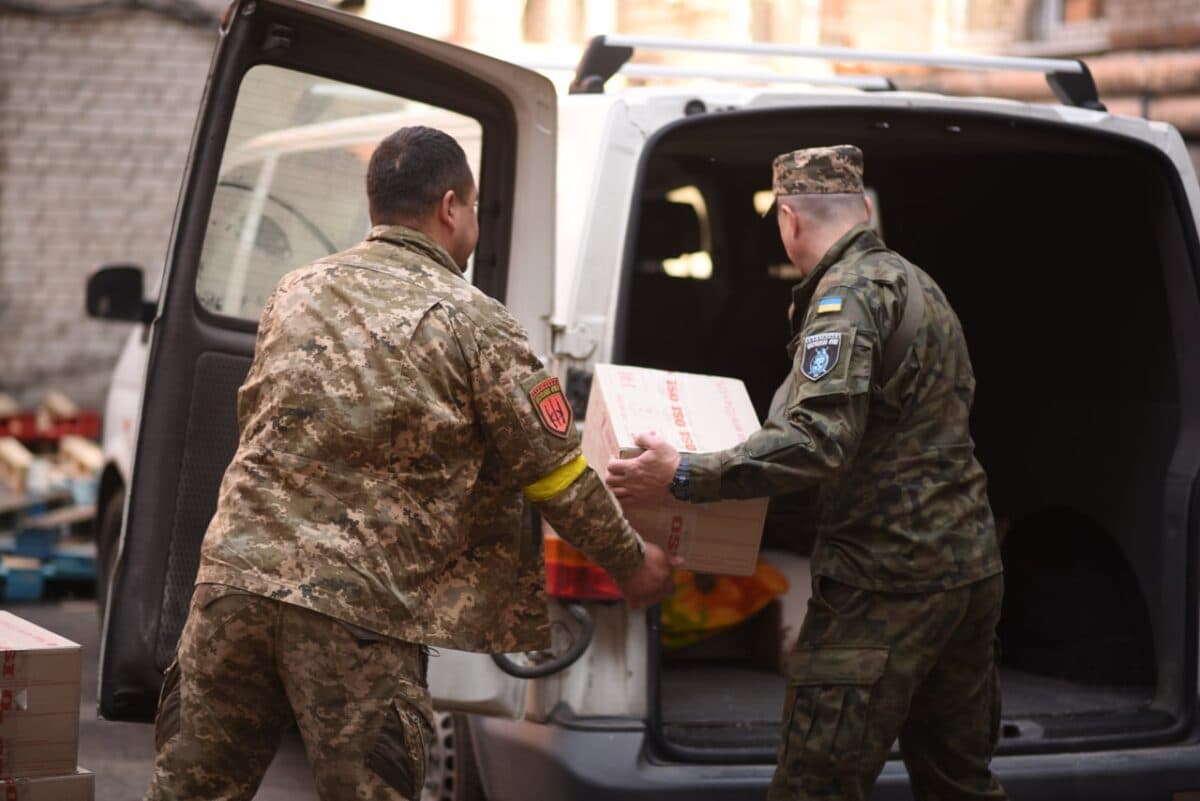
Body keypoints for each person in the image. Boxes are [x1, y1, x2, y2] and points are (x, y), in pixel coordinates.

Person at [145, 125, 676, 801]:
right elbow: (557, 477)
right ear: (451, 207)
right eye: (476, 208)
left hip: (232, 587)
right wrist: (633, 562)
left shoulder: (295, 290)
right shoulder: (474, 321)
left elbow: (262, 420)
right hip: (356, 609)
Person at [606, 144, 1006, 801]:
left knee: (812, 788)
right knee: (959, 781)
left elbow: (820, 442)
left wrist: (684, 473)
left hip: (884, 582)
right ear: (865, 210)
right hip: (968, 571)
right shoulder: (920, 284)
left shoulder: (844, 300)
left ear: (789, 219)